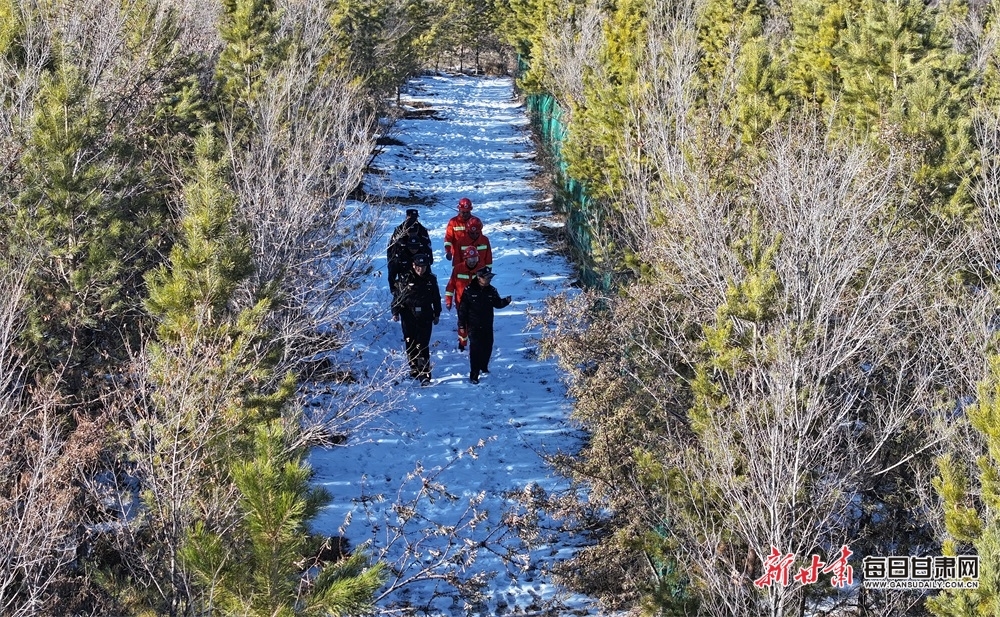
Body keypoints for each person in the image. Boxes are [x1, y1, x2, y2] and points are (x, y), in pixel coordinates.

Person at [392, 253, 441, 384]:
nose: (421, 269)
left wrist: (437, 313)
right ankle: (414, 370)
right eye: (418, 266)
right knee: (411, 344)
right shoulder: (405, 278)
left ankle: (425, 374)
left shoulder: (430, 279)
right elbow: (397, 296)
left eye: (424, 266)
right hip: (408, 315)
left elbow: (436, 297)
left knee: (423, 345)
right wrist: (395, 311)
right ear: (413, 265)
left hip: (425, 315)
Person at [458, 266, 511, 384]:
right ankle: (474, 374)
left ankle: (483, 366)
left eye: (490, 278)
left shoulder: (492, 290)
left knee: (487, 346)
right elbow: (462, 309)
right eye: (487, 278)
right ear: (479, 278)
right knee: (475, 349)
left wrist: (505, 302)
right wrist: (461, 324)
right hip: (473, 325)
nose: (489, 280)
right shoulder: (469, 290)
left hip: (487, 324)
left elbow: (497, 303)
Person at [444, 245, 481, 350]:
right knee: (462, 325)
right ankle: (462, 343)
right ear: (466, 258)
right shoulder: (458, 269)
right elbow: (451, 286)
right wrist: (448, 301)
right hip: (461, 304)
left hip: (477, 304)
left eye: (475, 259)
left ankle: (475, 343)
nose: (473, 261)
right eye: (470, 259)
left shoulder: (481, 269)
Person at [387, 225, 433, 297]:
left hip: (419, 281)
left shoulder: (422, 254)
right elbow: (392, 273)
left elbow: (427, 272)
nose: (413, 250)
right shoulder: (401, 255)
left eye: (415, 248)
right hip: (404, 282)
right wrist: (394, 290)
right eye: (412, 248)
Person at [443, 197, 474, 263]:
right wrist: (448, 251)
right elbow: (448, 238)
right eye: (463, 212)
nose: (465, 214)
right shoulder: (453, 222)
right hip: (458, 256)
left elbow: (480, 238)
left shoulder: (474, 221)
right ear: (459, 210)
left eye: (467, 212)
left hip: (473, 256)